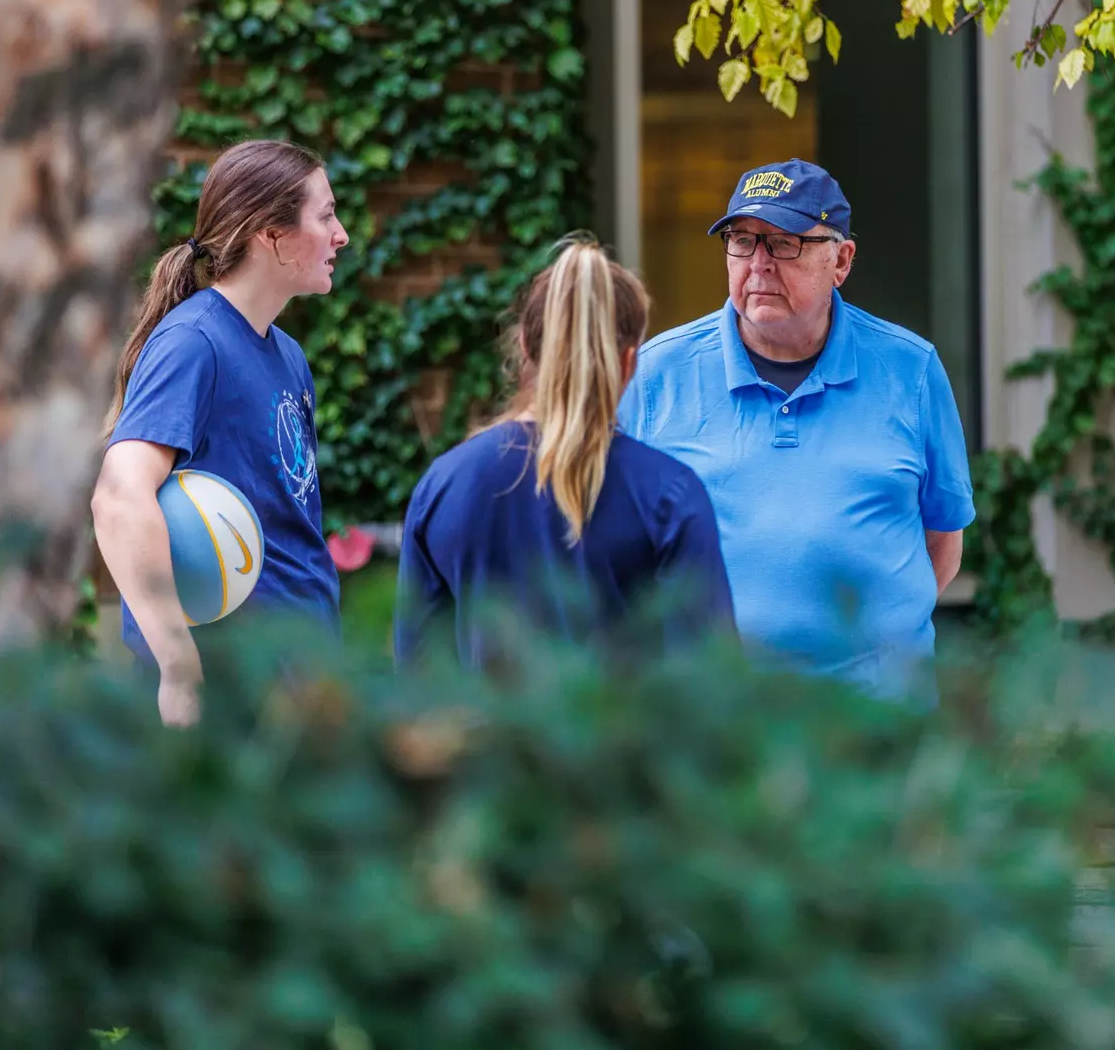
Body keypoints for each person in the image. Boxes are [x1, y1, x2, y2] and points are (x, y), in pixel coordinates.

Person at [617, 159, 974, 700]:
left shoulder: (911, 370)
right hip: (716, 724)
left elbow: (942, 540)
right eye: (742, 241)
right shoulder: (656, 377)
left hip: (879, 722)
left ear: (842, 260)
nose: (758, 264)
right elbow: (620, 550)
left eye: (784, 243)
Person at [92, 139, 348, 728]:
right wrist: (179, 666)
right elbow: (118, 498)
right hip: (230, 703)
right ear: (271, 233)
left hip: (299, 693)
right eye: (326, 214)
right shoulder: (193, 343)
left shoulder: (287, 354)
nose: (342, 235)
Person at [393, 236, 734, 670]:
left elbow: (416, 678)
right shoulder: (669, 494)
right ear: (628, 362)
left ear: (524, 347)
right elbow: (714, 682)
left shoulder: (446, 485)